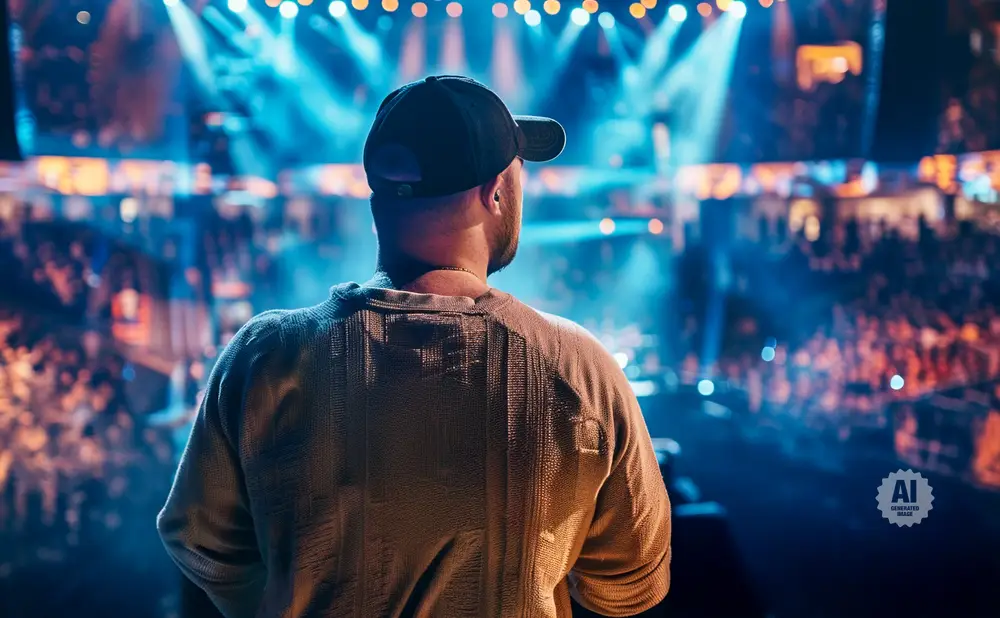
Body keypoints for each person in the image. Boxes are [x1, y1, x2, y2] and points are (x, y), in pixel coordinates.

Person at [157, 75, 671, 618]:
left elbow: (201, 541)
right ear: (495, 191)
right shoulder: (576, 368)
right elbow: (631, 584)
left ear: (379, 199)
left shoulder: (265, 357)